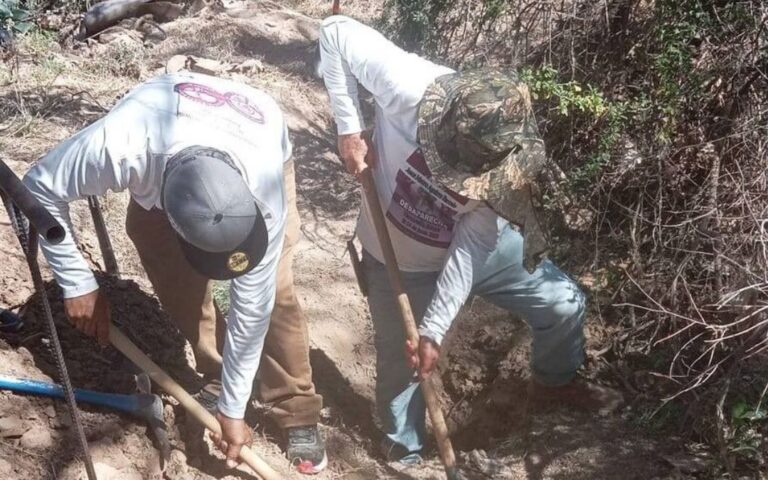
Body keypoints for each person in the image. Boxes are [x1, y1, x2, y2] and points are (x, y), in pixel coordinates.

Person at [318, 15, 622, 464]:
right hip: (396, 259)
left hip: (477, 247)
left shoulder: (508, 161)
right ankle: (405, 452)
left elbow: (471, 244)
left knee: (564, 305)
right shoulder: (407, 85)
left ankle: (554, 384)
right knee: (403, 371)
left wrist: (434, 330)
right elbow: (334, 32)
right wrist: (348, 127)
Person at [22, 72, 326, 474]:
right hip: (165, 146)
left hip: (254, 127)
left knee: (275, 293)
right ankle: (217, 369)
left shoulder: (263, 190)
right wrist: (77, 282)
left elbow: (252, 309)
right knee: (169, 264)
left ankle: (295, 407)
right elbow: (39, 186)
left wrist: (234, 413)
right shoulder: (122, 147)